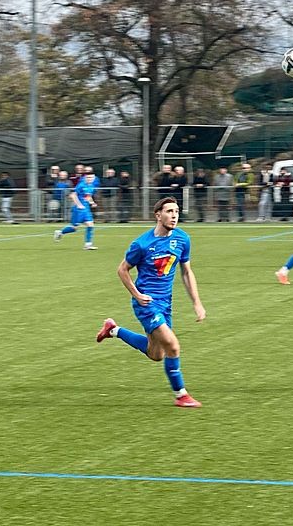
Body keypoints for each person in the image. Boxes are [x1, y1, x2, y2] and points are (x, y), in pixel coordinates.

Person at [95, 197, 206, 408]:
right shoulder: (142, 244)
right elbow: (122, 270)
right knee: (173, 346)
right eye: (169, 211)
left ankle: (113, 330)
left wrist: (197, 303)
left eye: (176, 211)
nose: (174, 216)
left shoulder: (183, 239)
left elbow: (186, 272)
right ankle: (181, 395)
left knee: (156, 354)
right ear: (158, 215)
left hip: (166, 303)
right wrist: (137, 295)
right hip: (146, 303)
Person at [54, 167, 98, 249]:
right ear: (85, 178)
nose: (90, 179)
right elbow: (73, 195)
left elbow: (88, 196)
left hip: (86, 209)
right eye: (88, 177)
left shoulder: (91, 186)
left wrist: (92, 203)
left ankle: (88, 245)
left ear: (94, 178)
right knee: (74, 228)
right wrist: (78, 205)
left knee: (90, 225)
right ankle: (60, 232)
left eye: (91, 177)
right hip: (79, 210)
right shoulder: (81, 185)